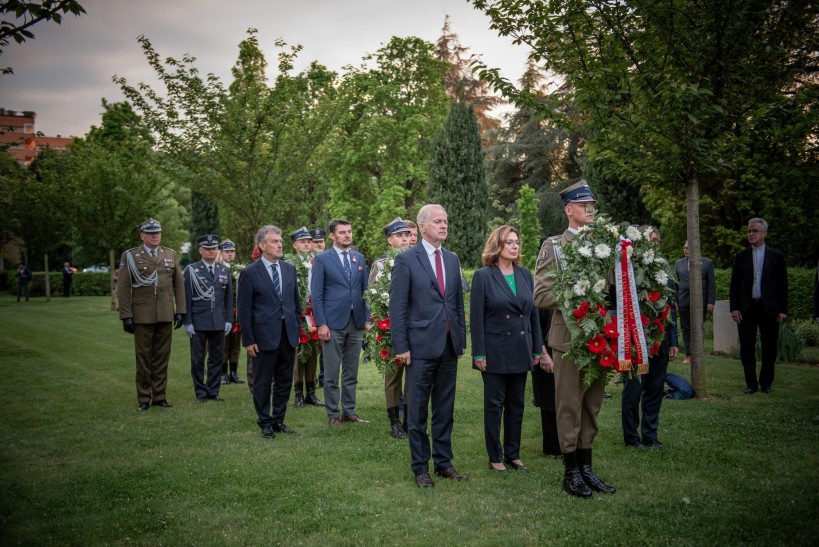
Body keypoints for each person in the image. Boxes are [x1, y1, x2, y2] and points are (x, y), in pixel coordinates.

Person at [533, 180, 615, 498]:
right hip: (568, 338)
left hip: (599, 338)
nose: (589, 209)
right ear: (569, 210)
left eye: (591, 205)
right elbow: (540, 294)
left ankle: (587, 469)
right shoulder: (554, 246)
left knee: (592, 404)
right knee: (569, 404)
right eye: (583, 205)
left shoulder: (601, 246)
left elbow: (611, 287)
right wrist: (577, 294)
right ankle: (570, 473)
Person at [389, 204, 468, 488]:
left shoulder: (451, 259)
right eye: (438, 221)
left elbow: (457, 303)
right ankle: (420, 468)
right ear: (422, 227)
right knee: (418, 411)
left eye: (446, 221)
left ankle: (444, 463)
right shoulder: (407, 260)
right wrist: (402, 346)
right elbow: (397, 307)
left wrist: (460, 338)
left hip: (448, 345)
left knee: (444, 409)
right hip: (420, 347)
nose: (444, 225)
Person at [471, 225, 542, 472]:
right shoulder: (483, 275)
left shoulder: (525, 274)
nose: (514, 246)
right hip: (494, 350)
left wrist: (537, 349)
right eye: (509, 242)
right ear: (497, 246)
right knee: (494, 405)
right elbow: (476, 318)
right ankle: (495, 457)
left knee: (517, 404)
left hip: (520, 348)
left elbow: (532, 315)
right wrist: (478, 352)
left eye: (517, 242)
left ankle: (514, 453)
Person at [238, 225, 301, 438]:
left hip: (287, 335)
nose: (279, 244)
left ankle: (278, 420)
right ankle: (265, 421)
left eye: (280, 240)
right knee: (263, 381)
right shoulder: (249, 273)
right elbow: (244, 311)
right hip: (263, 337)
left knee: (284, 380)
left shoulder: (289, 269)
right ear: (262, 246)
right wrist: (249, 340)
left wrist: (297, 330)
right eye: (274, 241)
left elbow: (295, 304)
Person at [117, 218, 186, 412]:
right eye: (150, 233)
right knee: (144, 358)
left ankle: (160, 397)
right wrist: (126, 315)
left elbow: (178, 285)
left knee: (162, 357)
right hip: (142, 315)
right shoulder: (131, 256)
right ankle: (144, 398)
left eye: (157, 232)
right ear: (142, 236)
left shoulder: (169, 254)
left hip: (165, 314)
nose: (155, 235)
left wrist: (180, 311)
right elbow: (123, 288)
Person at [622, 227, 679, 450]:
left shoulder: (664, 266)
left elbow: (670, 305)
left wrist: (673, 340)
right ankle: (631, 437)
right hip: (637, 339)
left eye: (656, 241)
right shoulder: (628, 268)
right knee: (634, 390)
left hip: (661, 338)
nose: (653, 244)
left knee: (655, 390)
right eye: (649, 240)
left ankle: (650, 435)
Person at [311, 219, 371, 426]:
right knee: (331, 372)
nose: (347, 235)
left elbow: (365, 293)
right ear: (332, 236)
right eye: (342, 232)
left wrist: (367, 319)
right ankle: (333, 414)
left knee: (351, 371)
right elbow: (317, 295)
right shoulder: (322, 259)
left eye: (349, 231)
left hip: (355, 323)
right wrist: (321, 323)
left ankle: (350, 411)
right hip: (332, 324)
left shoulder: (359, 258)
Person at [729, 218, 788, 394]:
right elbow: (734, 285)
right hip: (747, 308)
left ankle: (766, 383)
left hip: (769, 308)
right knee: (747, 348)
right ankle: (751, 384)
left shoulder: (777, 257)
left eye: (755, 231)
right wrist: (735, 308)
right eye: (749, 231)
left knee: (769, 348)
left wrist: (783, 310)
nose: (751, 234)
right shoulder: (740, 257)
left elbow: (783, 286)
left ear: (764, 234)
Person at [370, 217, 412, 439]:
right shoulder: (380, 265)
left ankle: (409, 421)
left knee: (414, 376)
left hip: (414, 328)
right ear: (389, 240)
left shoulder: (417, 259)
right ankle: (395, 421)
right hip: (390, 328)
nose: (404, 240)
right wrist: (382, 328)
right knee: (393, 377)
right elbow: (373, 297)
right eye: (399, 236)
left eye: (406, 235)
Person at [184, 234, 234, 403]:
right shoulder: (192, 270)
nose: (211, 251)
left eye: (214, 248)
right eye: (207, 248)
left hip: (218, 321)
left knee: (217, 358)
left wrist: (228, 320)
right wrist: (188, 322)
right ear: (200, 250)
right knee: (198, 359)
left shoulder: (224, 270)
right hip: (199, 321)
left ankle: (213, 391)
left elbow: (228, 299)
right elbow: (187, 298)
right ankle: (200, 392)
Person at [289, 226, 322, 408]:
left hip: (315, 313)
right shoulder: (289, 264)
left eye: (309, 241)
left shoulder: (318, 261)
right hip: (299, 313)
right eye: (303, 241)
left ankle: (311, 392)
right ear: (295, 245)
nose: (307, 244)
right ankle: (298, 392)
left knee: (313, 352)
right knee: (299, 353)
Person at [674, 241, 716, 364]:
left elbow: (711, 284)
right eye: (684, 247)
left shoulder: (707, 263)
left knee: (698, 327)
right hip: (683, 301)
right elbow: (674, 283)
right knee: (685, 328)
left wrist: (710, 302)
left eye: (687, 247)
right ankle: (688, 355)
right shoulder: (678, 263)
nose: (685, 250)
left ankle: (698, 354)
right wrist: (675, 301)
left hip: (700, 302)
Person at [532, 308, 561, 458]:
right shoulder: (542, 290)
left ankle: (567, 443)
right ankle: (552, 448)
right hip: (546, 350)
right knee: (549, 397)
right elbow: (534, 324)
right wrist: (542, 353)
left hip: (565, 348)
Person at [218, 239, 244, 385]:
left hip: (237, 309)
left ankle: (233, 372)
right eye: (227, 252)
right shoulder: (218, 268)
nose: (230, 254)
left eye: (232, 251)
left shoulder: (238, 269)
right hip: (224, 310)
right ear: (221, 253)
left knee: (236, 342)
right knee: (224, 343)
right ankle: (222, 373)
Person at [310, 227, 327, 387]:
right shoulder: (305, 262)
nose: (319, 245)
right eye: (315, 242)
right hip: (308, 310)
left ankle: (323, 376)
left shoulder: (329, 259)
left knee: (324, 346)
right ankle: (309, 379)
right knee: (309, 345)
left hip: (324, 309)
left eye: (321, 242)